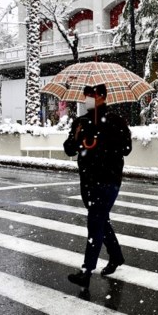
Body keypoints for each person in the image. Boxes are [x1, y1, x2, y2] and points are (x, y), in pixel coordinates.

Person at [63, 84, 132, 288]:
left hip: (108, 180)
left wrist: (104, 137)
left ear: (102, 97)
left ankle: (87, 271)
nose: (88, 100)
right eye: (86, 96)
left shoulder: (115, 121)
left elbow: (126, 148)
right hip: (87, 180)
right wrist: (76, 137)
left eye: (92, 96)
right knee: (100, 220)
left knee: (95, 222)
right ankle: (116, 255)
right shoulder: (81, 121)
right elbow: (68, 149)